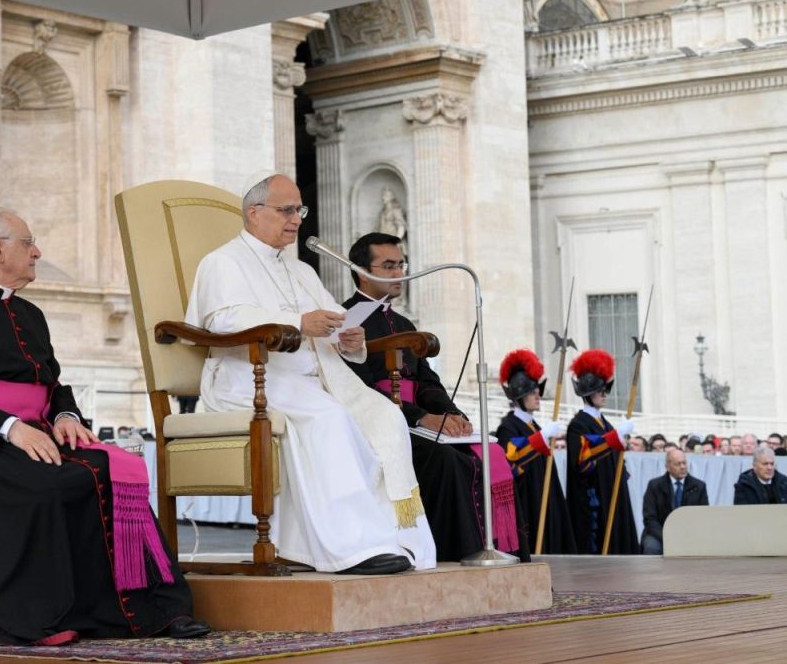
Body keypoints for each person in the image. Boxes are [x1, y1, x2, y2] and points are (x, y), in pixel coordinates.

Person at [0, 206, 205, 645]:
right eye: (28, 243)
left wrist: (67, 415)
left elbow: (53, 385)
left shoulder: (31, 314)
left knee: (113, 470)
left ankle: (153, 610)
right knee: (51, 485)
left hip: (37, 440)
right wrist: (11, 427)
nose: (37, 252)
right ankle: (21, 608)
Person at [185, 174, 436, 574]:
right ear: (254, 213)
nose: (297, 219)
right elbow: (224, 323)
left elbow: (328, 320)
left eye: (298, 210)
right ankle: (350, 547)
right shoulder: (222, 262)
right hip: (249, 377)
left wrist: (348, 337)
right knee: (329, 418)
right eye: (286, 210)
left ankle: (396, 537)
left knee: (385, 416)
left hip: (313, 378)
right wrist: (298, 321)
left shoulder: (300, 269)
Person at [342, 232, 521, 561]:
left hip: (415, 419)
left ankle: (505, 554)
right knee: (448, 461)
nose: (400, 274)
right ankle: (457, 555)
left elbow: (428, 382)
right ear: (361, 271)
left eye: (401, 264)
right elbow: (358, 388)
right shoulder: (345, 320)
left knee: (488, 453)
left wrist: (453, 415)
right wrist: (420, 417)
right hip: (378, 425)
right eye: (390, 266)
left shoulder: (403, 321)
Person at [493, 349, 577, 554]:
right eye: (531, 391)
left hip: (544, 496)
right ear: (519, 396)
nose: (537, 394)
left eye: (537, 390)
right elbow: (512, 460)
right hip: (528, 500)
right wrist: (541, 438)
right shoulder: (509, 427)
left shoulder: (535, 426)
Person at [564, 349, 640, 554]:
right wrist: (616, 437)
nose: (604, 393)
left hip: (611, 496)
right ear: (588, 393)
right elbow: (583, 459)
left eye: (606, 389)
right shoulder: (578, 425)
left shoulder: (605, 423)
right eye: (600, 390)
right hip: (594, 501)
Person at [640, 448, 709, 555]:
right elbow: (649, 518)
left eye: (684, 463)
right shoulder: (654, 486)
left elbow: (703, 517)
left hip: (689, 534)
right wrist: (666, 537)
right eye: (678, 464)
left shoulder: (699, 486)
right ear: (668, 467)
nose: (682, 467)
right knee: (652, 548)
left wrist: (687, 536)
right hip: (659, 533)